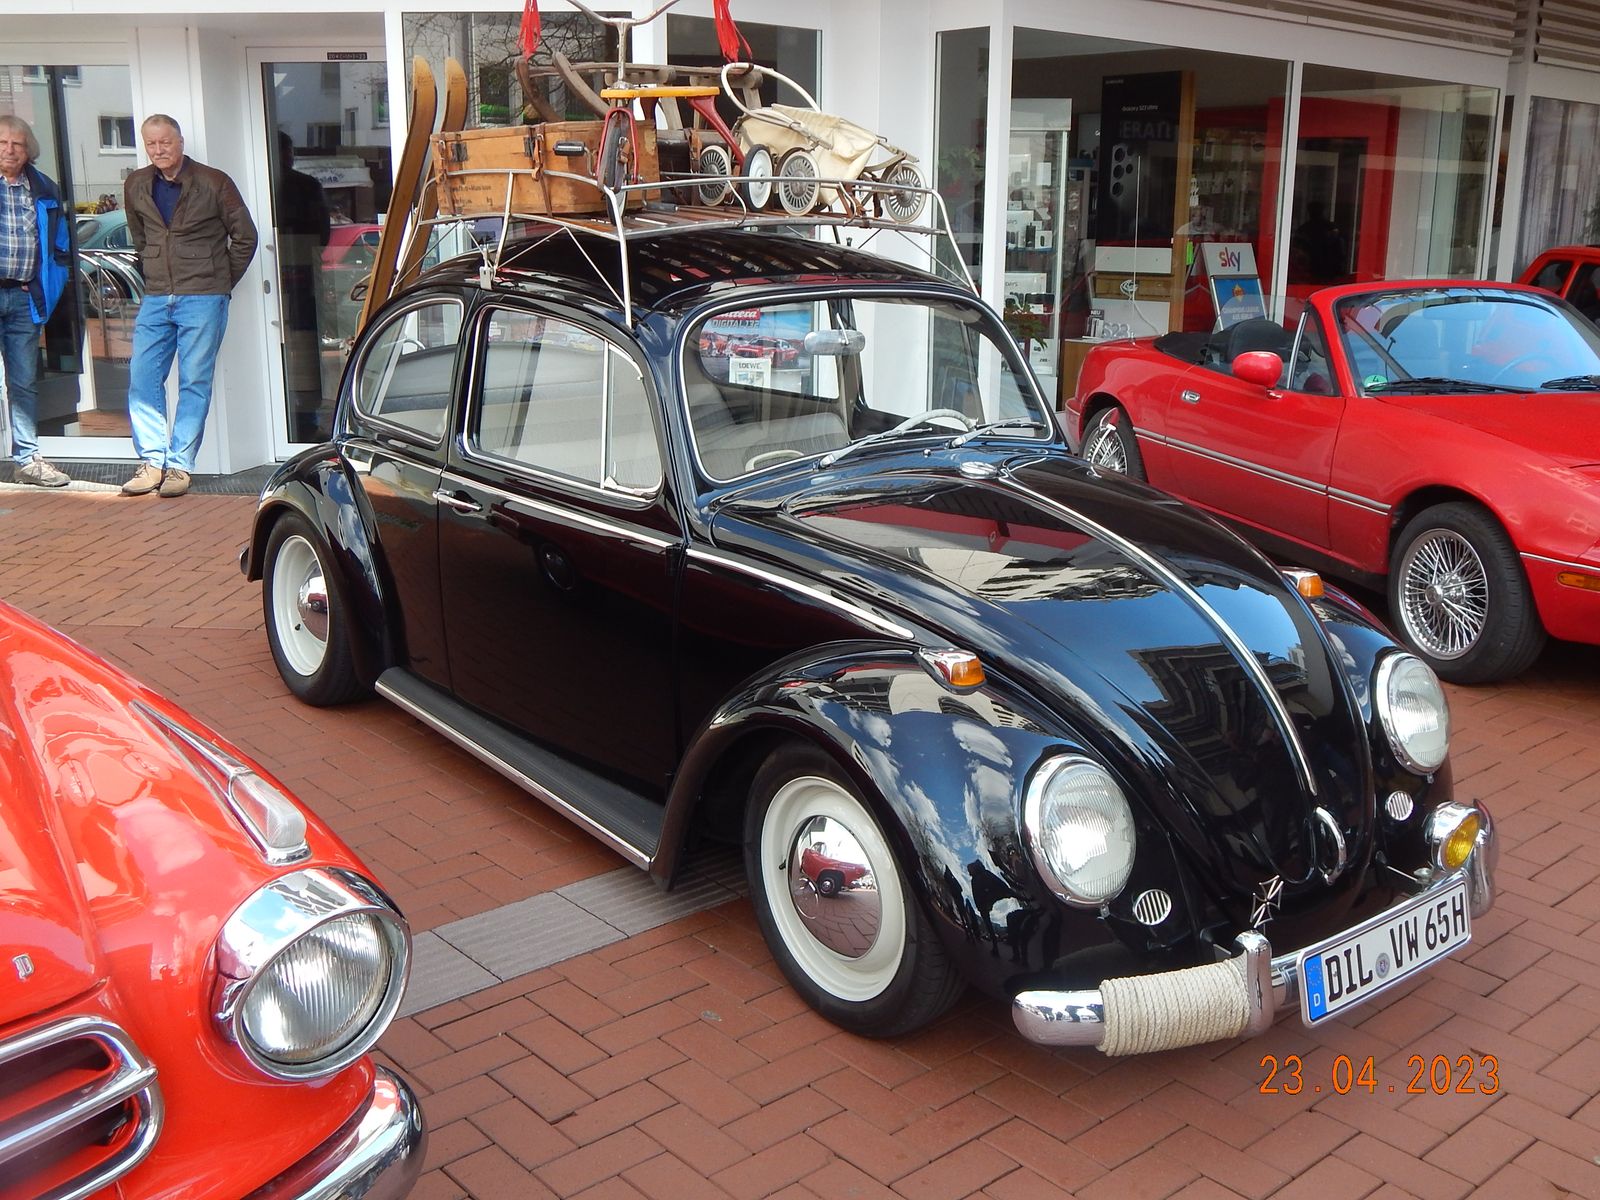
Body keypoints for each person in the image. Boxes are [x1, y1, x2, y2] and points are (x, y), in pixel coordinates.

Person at [121, 114, 257, 498]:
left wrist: (219, 283)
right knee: (143, 378)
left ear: (180, 142)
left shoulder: (214, 182)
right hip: (156, 295)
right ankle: (152, 462)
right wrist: (152, 271)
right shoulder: (136, 183)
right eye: (151, 144)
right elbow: (140, 237)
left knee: (194, 381)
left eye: (165, 142)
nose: (158, 150)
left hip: (203, 296)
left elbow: (245, 237)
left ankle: (179, 465)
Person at [0, 114, 73, 487]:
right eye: (2, 143)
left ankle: (27, 460)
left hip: (23, 297)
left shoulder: (44, 188)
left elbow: (61, 249)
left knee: (24, 382)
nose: (10, 150)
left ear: (29, 150)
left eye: (17, 144)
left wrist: (47, 287)